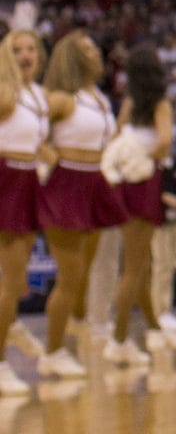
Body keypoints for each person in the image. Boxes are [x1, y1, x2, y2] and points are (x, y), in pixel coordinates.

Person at [37, 31, 125, 379]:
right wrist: (48, 155)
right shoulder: (61, 98)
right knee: (70, 277)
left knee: (83, 277)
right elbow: (25, 124)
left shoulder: (98, 97)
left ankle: (70, 334)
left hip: (94, 182)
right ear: (72, 57)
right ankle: (53, 351)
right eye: (88, 48)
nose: (96, 52)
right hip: (67, 183)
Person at [107, 46, 176, 364]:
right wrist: (148, 159)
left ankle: (154, 328)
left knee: (142, 263)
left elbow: (117, 137)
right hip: (145, 183)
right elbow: (164, 141)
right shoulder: (161, 104)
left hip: (125, 183)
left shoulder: (130, 104)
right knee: (133, 268)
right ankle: (118, 339)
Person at [0, 31, 43, 397]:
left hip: (28, 179)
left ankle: (11, 326)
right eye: (16, 50)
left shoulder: (38, 95)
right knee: (9, 282)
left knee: (15, 281)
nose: (25, 56)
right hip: (6, 175)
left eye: (31, 49)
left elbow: (41, 145)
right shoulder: (5, 89)